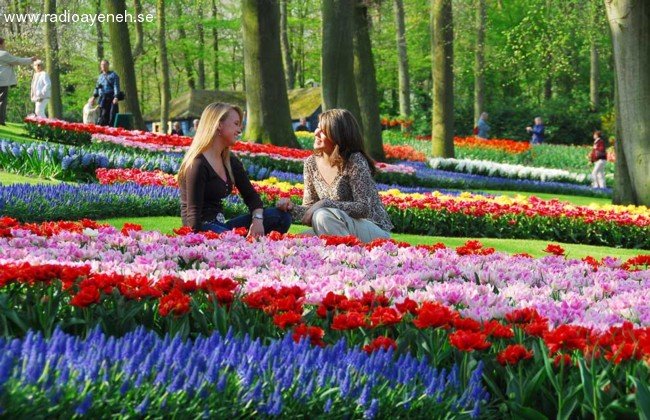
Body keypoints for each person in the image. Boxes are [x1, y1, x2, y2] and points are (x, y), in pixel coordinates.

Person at [276, 108, 393, 243]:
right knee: (297, 243)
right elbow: (310, 211)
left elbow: (363, 209)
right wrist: (290, 208)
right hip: (332, 225)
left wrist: (324, 203)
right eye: (317, 128)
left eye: (323, 131)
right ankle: (340, 252)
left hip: (371, 229)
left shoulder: (354, 160)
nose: (316, 133)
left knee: (322, 216)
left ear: (338, 136)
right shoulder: (311, 163)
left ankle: (350, 254)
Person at [178, 102, 291, 237]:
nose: (239, 130)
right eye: (236, 124)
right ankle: (240, 244)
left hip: (222, 227)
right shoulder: (197, 164)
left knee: (280, 216)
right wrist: (196, 241)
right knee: (231, 238)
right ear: (219, 125)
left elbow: (252, 197)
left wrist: (257, 220)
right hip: (204, 229)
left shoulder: (230, 162)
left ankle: (238, 242)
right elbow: (192, 217)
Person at [0, 37, 37, 125]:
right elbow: (17, 60)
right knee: (2, 101)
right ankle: (0, 120)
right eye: (4, 43)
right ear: (1, 44)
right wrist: (31, 60)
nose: (5, 45)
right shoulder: (3, 54)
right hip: (2, 81)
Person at [91, 60, 120, 126]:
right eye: (102, 64)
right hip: (102, 99)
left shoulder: (113, 75)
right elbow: (97, 88)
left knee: (111, 115)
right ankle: (102, 129)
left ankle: (111, 129)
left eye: (104, 64)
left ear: (108, 65)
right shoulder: (100, 77)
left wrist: (116, 97)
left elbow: (116, 86)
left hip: (111, 98)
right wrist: (93, 97)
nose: (103, 66)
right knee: (102, 115)